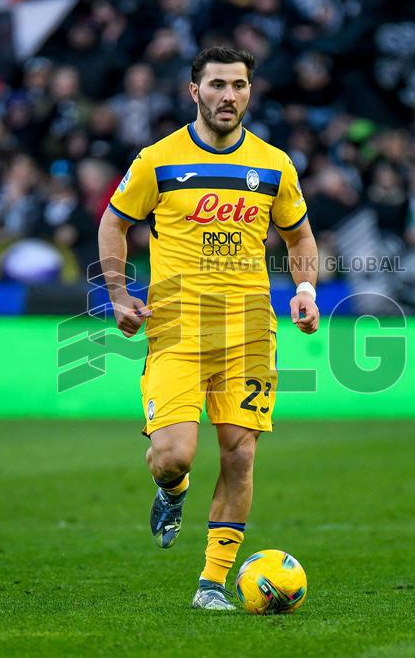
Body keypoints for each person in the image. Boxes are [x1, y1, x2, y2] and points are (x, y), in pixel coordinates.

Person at [97, 46, 319, 610]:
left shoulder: (274, 165)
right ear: (193, 91)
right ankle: (173, 491)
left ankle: (211, 584)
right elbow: (114, 222)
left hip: (248, 331)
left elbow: (298, 237)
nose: (229, 96)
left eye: (239, 85)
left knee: (240, 454)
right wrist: (119, 294)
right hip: (174, 330)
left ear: (250, 91)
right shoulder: (157, 161)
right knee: (173, 455)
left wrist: (305, 290)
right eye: (217, 85)